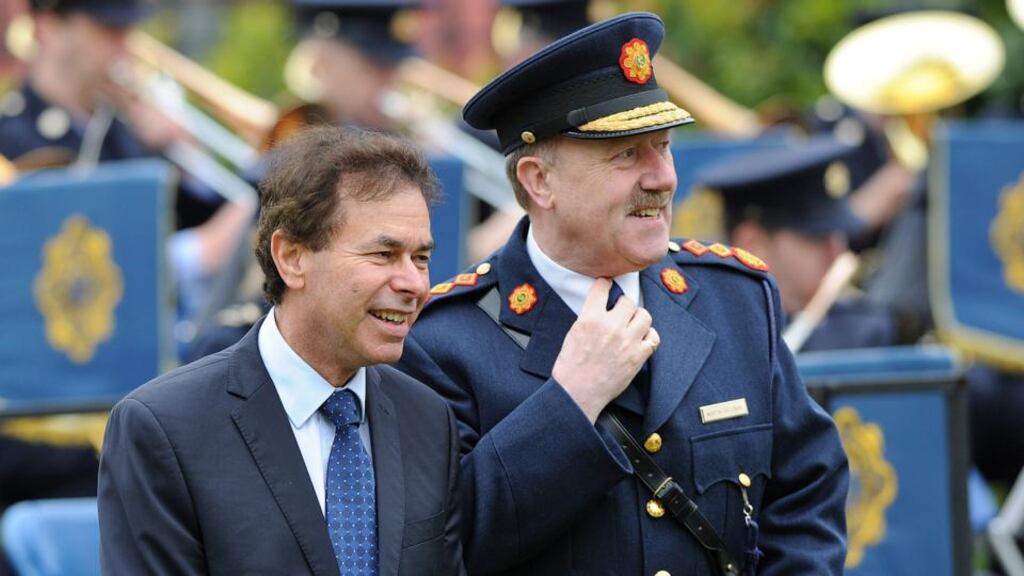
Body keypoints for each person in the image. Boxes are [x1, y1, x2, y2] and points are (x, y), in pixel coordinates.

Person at [395, 12, 848, 576]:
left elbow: (807, 493)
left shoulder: (735, 299)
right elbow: (442, 547)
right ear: (539, 180)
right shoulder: (442, 343)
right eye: (626, 154)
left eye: (663, 146)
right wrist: (570, 404)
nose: (662, 178)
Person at [98, 126, 466, 575]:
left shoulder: (428, 419)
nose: (414, 283)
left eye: (421, 258)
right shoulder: (164, 429)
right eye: (383, 254)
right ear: (291, 257)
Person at [695, 136, 898, 352]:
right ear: (752, 244)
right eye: (816, 238)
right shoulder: (705, 332)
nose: (836, 252)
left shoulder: (861, 332)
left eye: (837, 236)